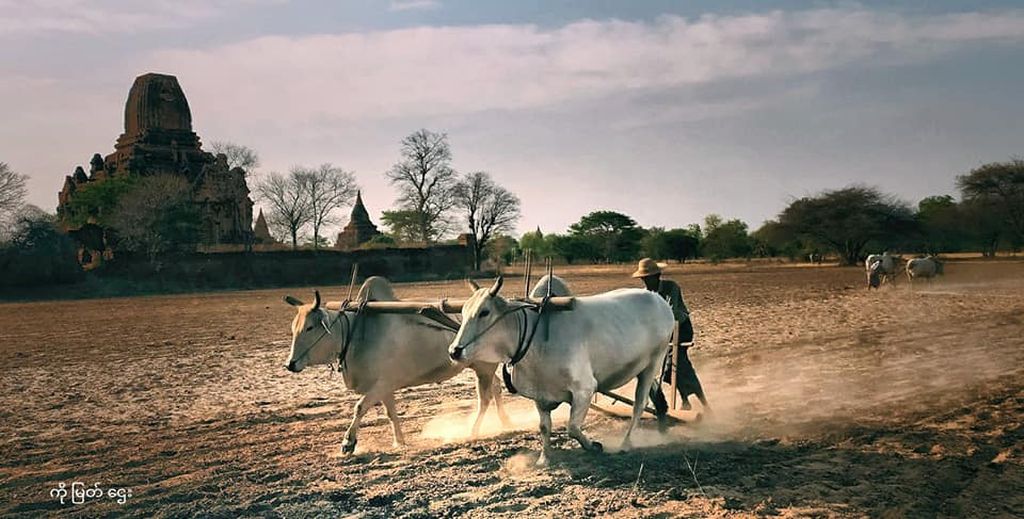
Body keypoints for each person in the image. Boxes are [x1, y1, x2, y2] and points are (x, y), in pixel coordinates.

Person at [631, 258, 709, 419]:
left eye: (648, 278)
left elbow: (672, 312)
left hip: (680, 328)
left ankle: (703, 403)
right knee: (666, 370)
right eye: (643, 279)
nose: (645, 281)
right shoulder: (646, 294)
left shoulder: (671, 287)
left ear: (657, 276)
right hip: (661, 332)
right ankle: (685, 400)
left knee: (677, 364)